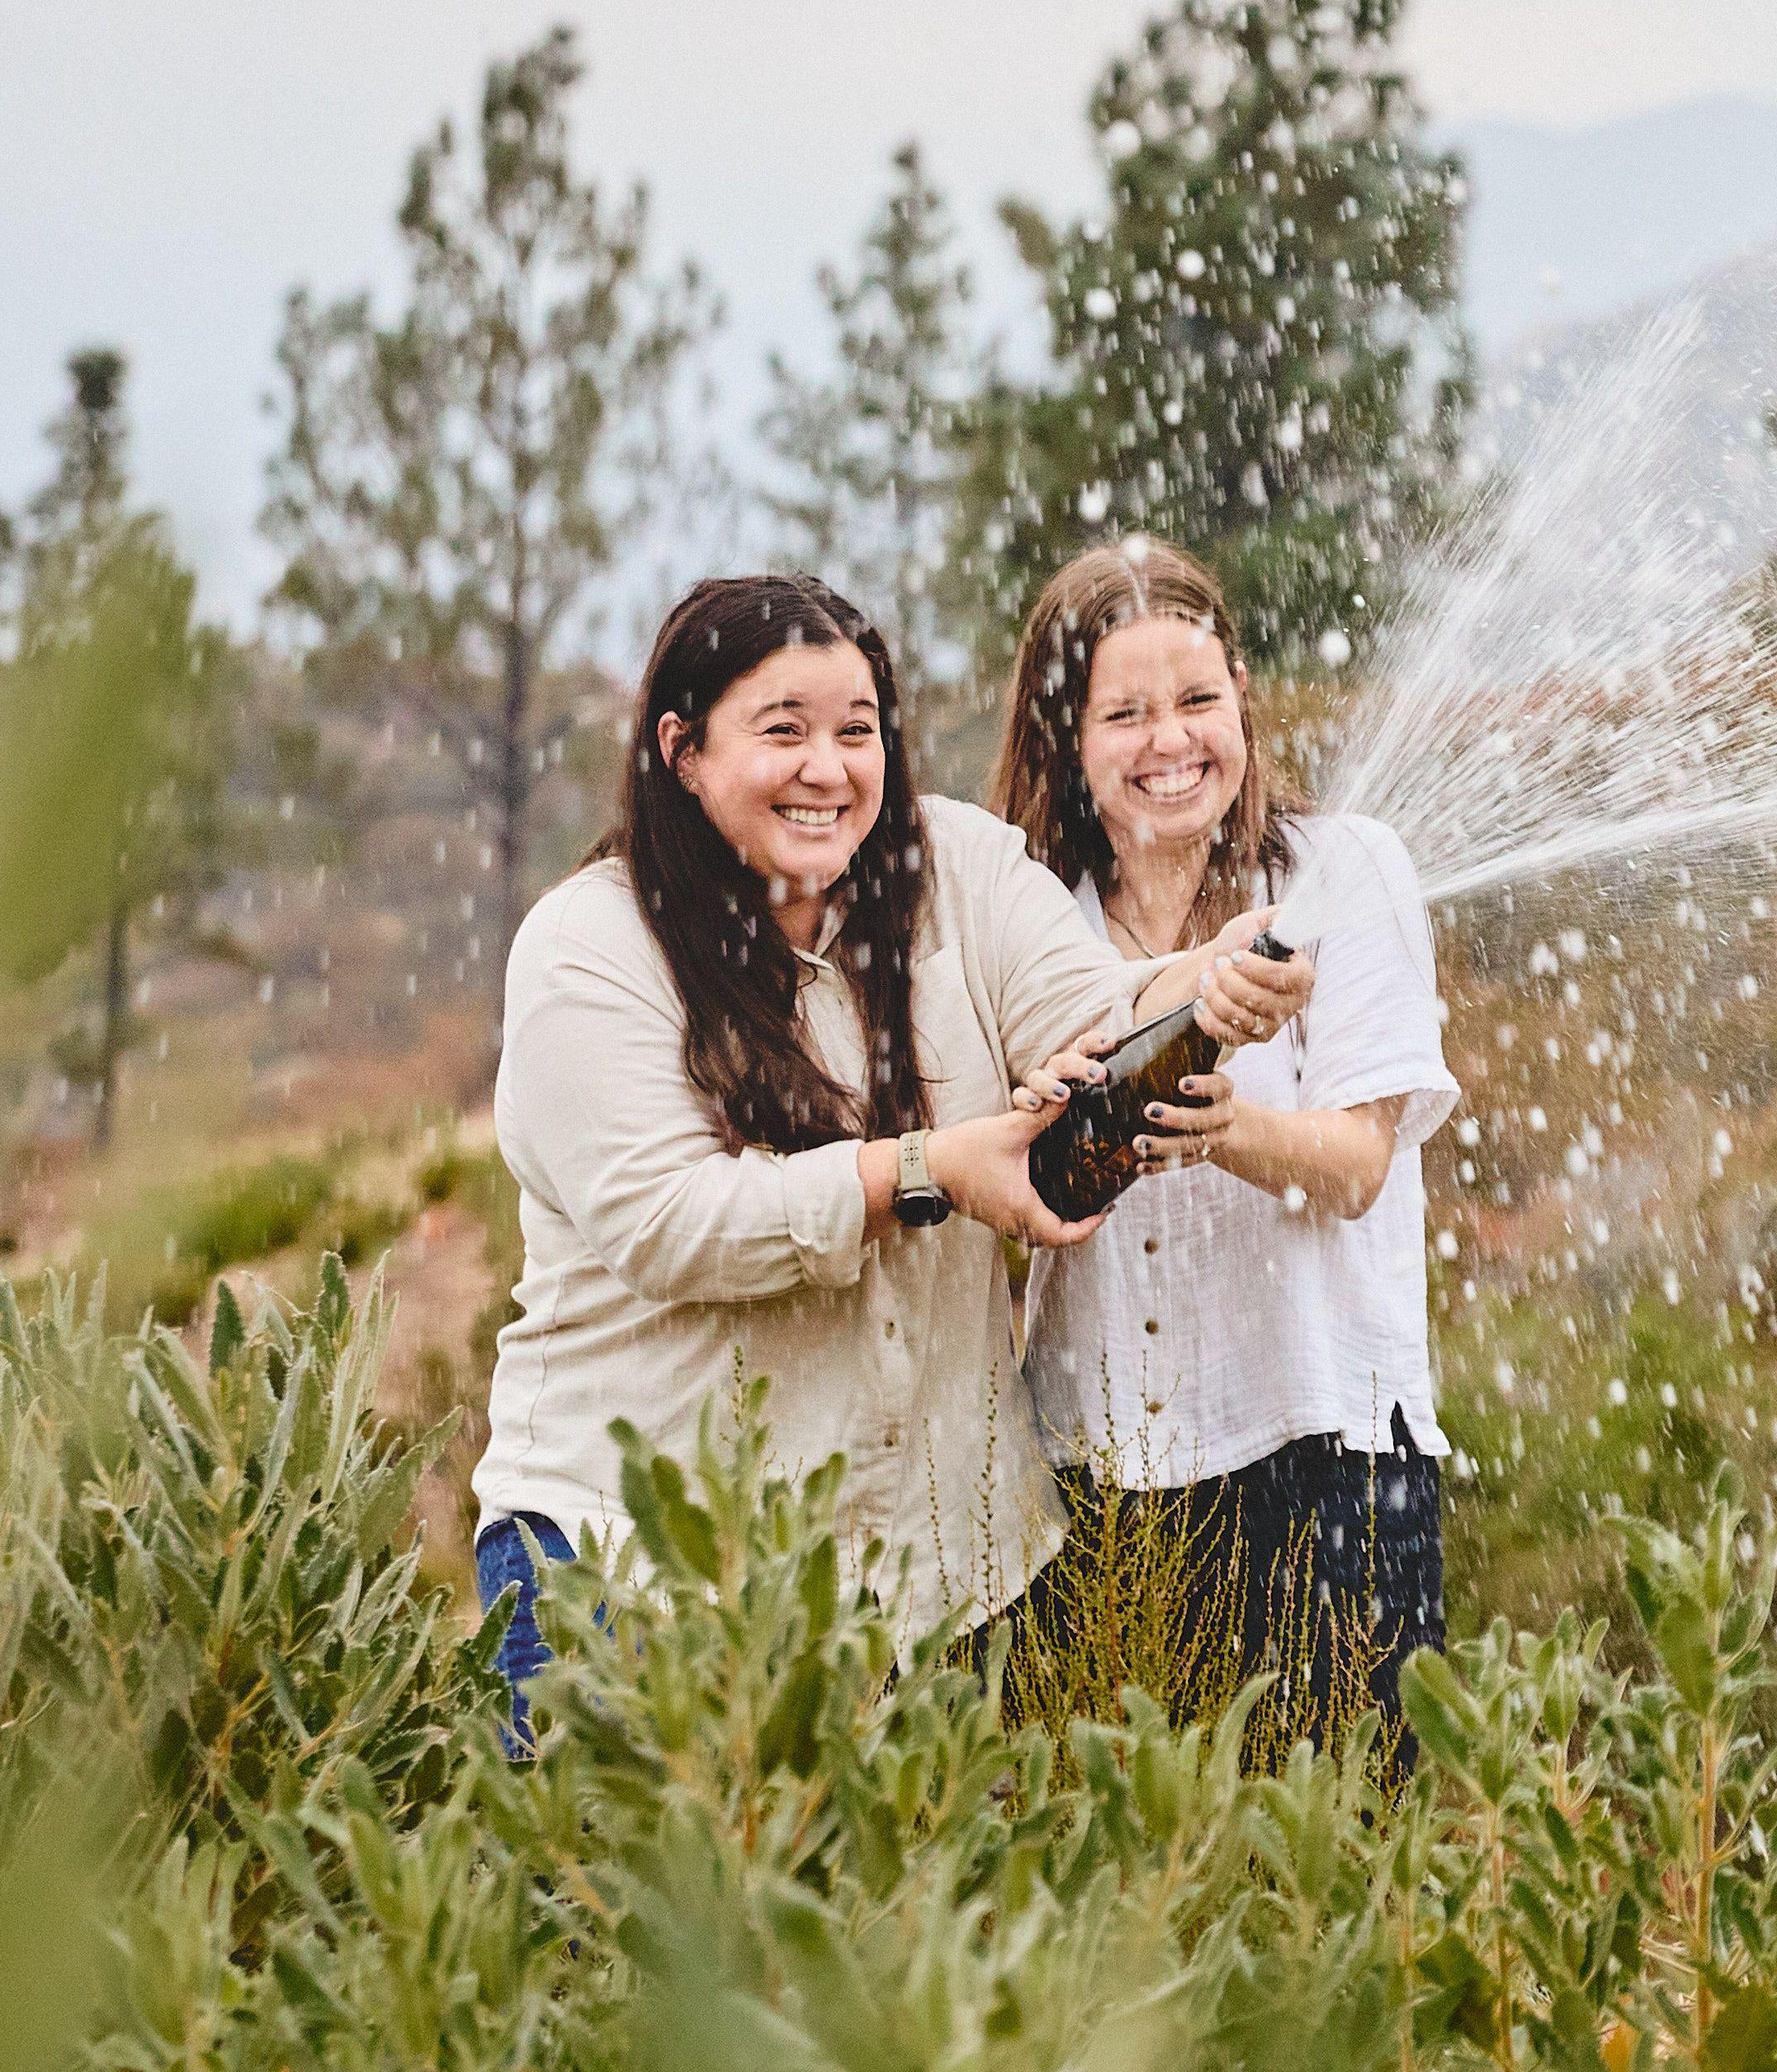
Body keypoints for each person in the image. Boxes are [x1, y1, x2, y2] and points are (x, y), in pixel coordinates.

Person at [466, 572, 1308, 1721]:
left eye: (857, 731)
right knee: (639, 1850)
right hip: (637, 1577)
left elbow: (1092, 1015)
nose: (828, 768)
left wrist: (1209, 984)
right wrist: (926, 1170)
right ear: (682, 749)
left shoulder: (955, 867)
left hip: (934, 1584)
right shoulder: (590, 946)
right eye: (784, 731)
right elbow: (668, 1226)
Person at [993, 536, 1458, 1742]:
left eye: (1199, 699)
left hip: (1331, 1455)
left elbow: (1359, 1167)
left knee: (1344, 1827)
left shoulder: (1341, 872)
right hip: (1098, 1476)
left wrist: (1229, 1127)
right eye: (1126, 714)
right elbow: (1001, 1178)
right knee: (1127, 1839)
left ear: (1242, 699)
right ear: (1067, 738)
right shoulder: (1030, 918)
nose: (1171, 741)